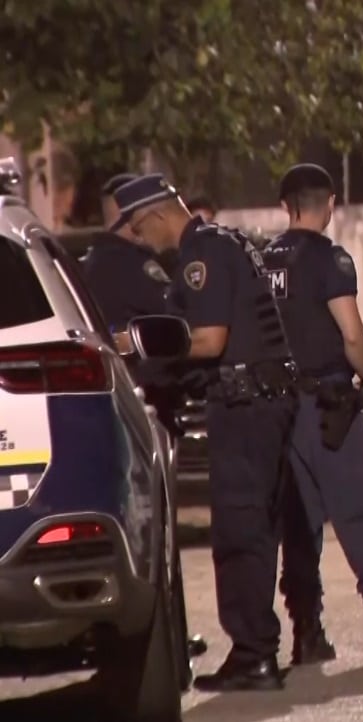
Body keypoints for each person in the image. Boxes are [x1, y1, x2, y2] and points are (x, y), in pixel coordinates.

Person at [111, 174, 298, 690]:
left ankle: (253, 655)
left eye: (141, 231)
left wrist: (138, 342)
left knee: (239, 533)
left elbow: (211, 341)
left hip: (244, 405)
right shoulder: (228, 240)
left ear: (152, 216)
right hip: (266, 400)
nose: (145, 242)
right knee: (256, 529)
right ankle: (257, 649)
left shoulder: (201, 256)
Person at [263, 163, 363, 664]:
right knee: (362, 511)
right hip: (328, 406)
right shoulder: (329, 260)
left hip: (279, 411)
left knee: (299, 525)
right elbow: (351, 333)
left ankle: (307, 632)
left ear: (286, 205)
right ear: (329, 203)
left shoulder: (263, 259)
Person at [83, 172, 209, 658]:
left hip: (126, 407)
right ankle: (170, 643)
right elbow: (174, 324)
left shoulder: (93, 265)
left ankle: (172, 640)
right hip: (149, 406)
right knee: (159, 536)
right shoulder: (127, 266)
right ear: (130, 223)